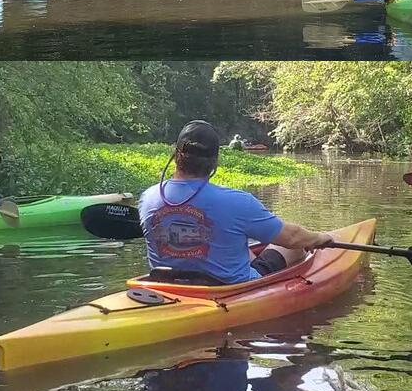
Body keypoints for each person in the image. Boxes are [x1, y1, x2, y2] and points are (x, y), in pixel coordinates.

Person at [139, 120, 333, 284]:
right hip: (228, 288)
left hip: (167, 284)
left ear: (175, 156)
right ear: (215, 163)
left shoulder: (148, 198)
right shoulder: (238, 202)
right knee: (295, 246)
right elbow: (292, 237)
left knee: (242, 246)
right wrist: (317, 238)